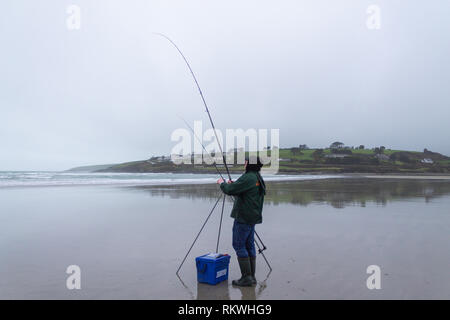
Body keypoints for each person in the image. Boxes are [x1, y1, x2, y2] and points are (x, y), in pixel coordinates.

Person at [217, 156, 266, 287]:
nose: (244, 163)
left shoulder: (249, 177)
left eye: (246, 162)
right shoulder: (257, 176)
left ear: (249, 164)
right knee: (249, 245)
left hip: (244, 217)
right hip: (252, 217)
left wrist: (222, 183)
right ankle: (251, 277)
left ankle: (246, 277)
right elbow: (244, 190)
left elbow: (229, 190)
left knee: (239, 245)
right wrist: (234, 185)